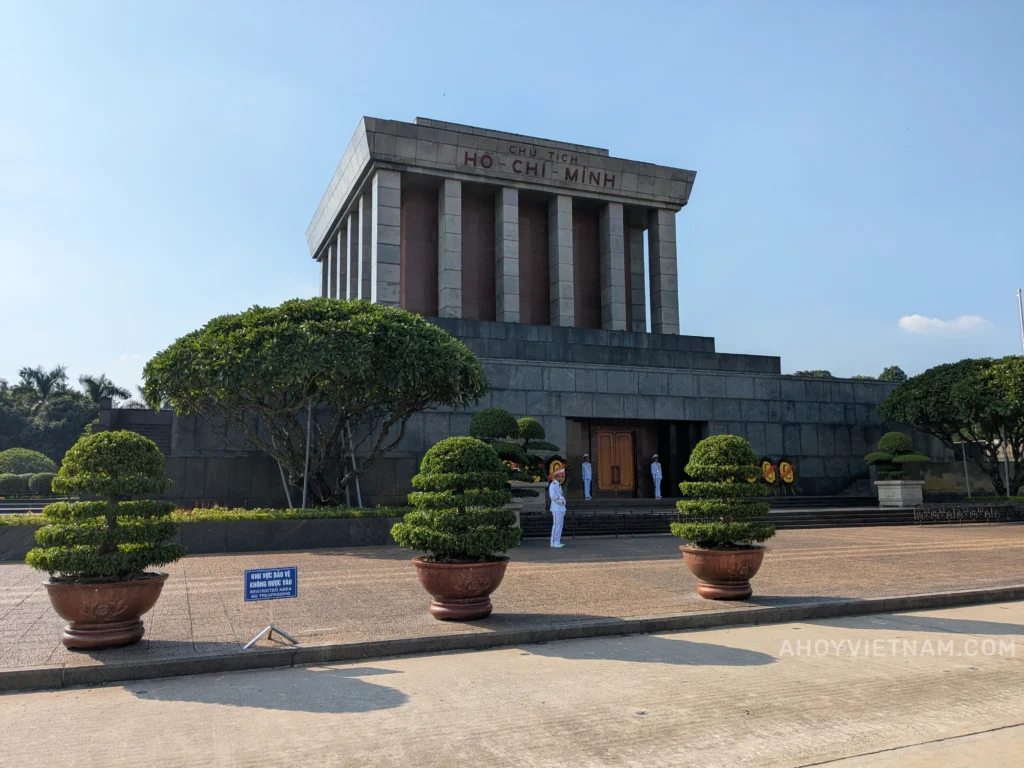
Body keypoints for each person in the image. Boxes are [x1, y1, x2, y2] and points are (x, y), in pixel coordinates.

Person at [548, 466, 567, 548]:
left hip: (560, 508)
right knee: (556, 525)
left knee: (560, 525)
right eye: (561, 476)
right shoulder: (553, 484)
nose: (562, 478)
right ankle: (553, 542)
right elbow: (553, 496)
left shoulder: (558, 485)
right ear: (557, 476)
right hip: (556, 508)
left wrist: (562, 501)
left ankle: (557, 541)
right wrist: (561, 500)